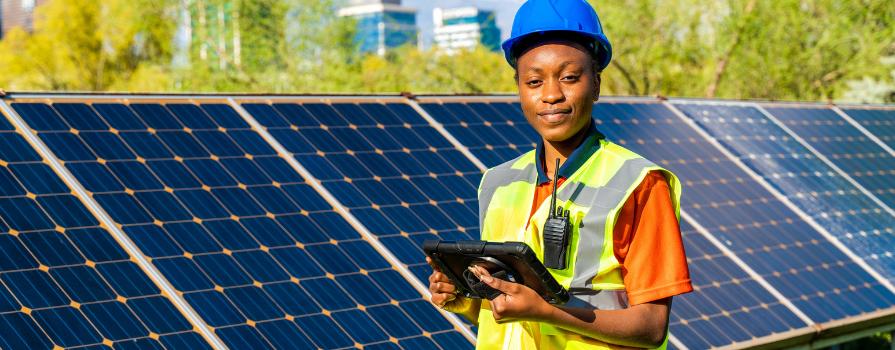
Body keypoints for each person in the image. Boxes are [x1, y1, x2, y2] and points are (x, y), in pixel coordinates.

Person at [426, 0, 692, 349]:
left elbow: (652, 327)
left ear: (596, 84)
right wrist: (464, 299)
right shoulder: (497, 182)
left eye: (569, 77)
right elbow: (505, 312)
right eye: (534, 81)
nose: (551, 94)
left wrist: (548, 311)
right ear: (519, 89)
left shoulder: (637, 183)